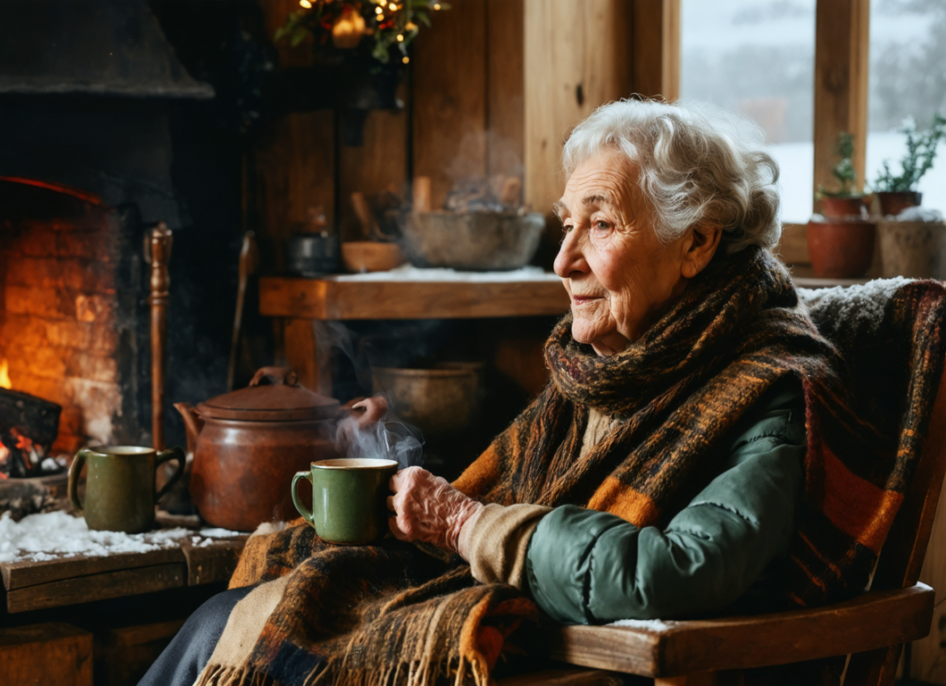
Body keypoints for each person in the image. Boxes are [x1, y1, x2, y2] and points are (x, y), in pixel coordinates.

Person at [140, 100, 917, 686]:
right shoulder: (609, 371)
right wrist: (434, 514)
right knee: (239, 618)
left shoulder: (775, 386)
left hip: (607, 665)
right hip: (547, 640)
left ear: (697, 243)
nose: (563, 260)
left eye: (600, 226)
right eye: (565, 225)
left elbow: (672, 572)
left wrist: (467, 524)